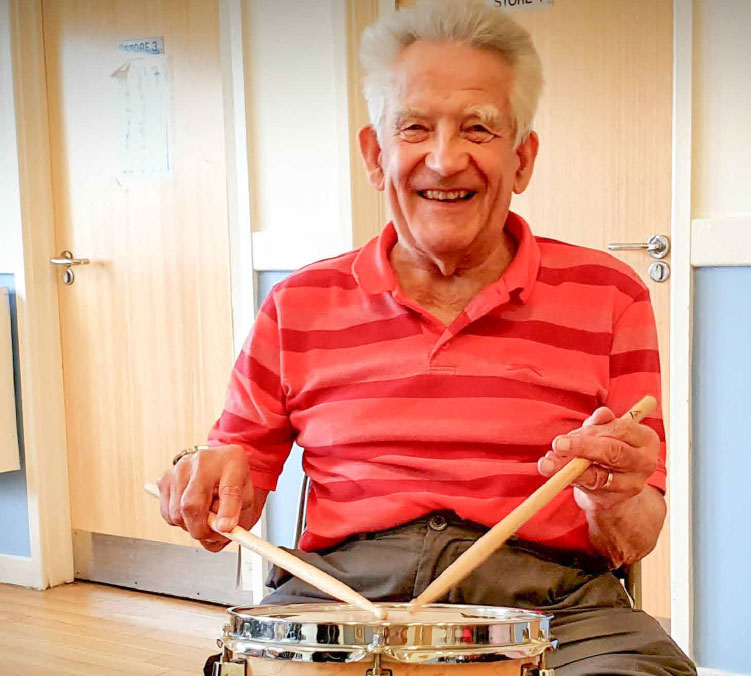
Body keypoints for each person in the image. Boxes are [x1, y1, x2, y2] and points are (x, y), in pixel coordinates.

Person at [157, 1, 695, 674]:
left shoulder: (610, 295)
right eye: (414, 128)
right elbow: (232, 488)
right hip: (343, 601)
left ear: (522, 159)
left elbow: (632, 538)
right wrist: (206, 482)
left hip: (554, 607)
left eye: (478, 128)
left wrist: (613, 495)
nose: (444, 160)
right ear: (375, 155)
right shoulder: (298, 304)